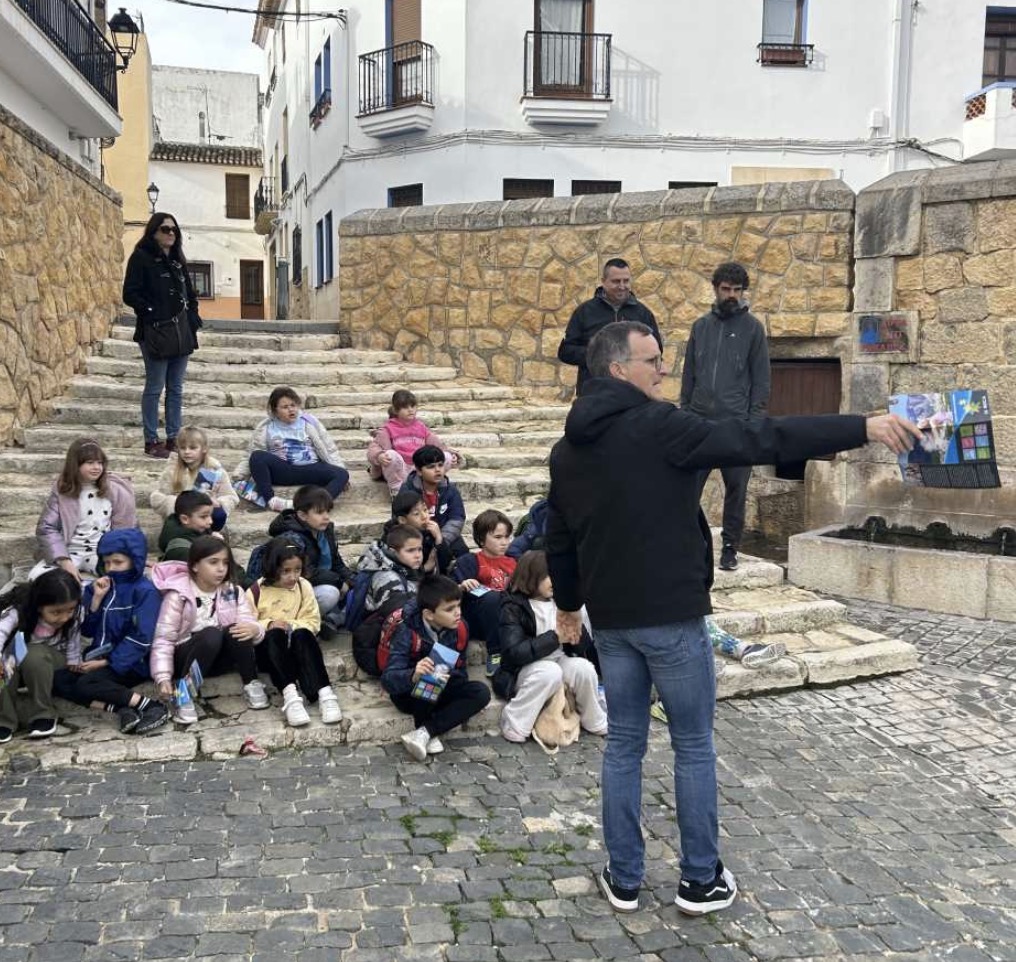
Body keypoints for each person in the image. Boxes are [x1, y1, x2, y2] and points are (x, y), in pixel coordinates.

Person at [545, 321, 921, 916]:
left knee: (623, 748)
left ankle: (623, 878)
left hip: (613, 621)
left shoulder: (566, 451)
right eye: (652, 359)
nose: (664, 368)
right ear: (618, 369)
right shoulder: (662, 427)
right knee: (692, 745)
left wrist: (568, 606)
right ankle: (699, 880)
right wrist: (863, 426)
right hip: (670, 617)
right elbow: (759, 436)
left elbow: (558, 538)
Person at [680, 262, 770, 571]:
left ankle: (730, 548)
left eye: (737, 290)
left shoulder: (753, 329)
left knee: (736, 491)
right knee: (688, 490)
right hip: (700, 425)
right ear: (716, 289)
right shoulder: (700, 327)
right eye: (726, 289)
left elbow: (761, 380)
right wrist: (685, 414)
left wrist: (753, 423)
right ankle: (689, 546)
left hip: (736, 427)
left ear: (743, 292)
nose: (731, 295)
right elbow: (689, 374)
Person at [51, 529, 169, 736]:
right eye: (106, 563)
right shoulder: (99, 587)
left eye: (118, 562)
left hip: (131, 662)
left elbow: (141, 637)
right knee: (58, 679)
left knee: (88, 684)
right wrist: (96, 599)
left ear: (135, 560)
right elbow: (86, 629)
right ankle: (120, 708)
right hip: (97, 657)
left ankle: (152, 706)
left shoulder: (144, 591)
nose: (111, 568)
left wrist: (107, 662)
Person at [494, 550, 606, 745]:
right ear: (532, 577)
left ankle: (594, 718)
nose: (555, 581)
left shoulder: (561, 602)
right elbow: (514, 653)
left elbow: (583, 647)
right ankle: (515, 721)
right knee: (549, 671)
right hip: (523, 670)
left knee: (584, 669)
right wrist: (554, 638)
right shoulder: (513, 606)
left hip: (559, 660)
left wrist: (574, 634)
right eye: (549, 577)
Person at [150, 536, 266, 724]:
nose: (221, 569)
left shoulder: (233, 591)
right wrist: (163, 677)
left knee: (240, 628)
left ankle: (251, 682)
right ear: (195, 566)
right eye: (213, 562)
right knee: (211, 634)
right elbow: (164, 639)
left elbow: (248, 620)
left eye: (225, 563)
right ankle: (183, 695)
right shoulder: (177, 596)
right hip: (186, 656)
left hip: (218, 658)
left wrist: (255, 630)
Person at [380, 575, 491, 762]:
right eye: (449, 609)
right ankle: (427, 729)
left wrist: (450, 675)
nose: (458, 613)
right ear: (429, 614)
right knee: (431, 676)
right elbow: (388, 679)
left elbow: (461, 670)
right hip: (409, 693)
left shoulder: (460, 628)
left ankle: (425, 732)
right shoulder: (407, 630)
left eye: (458, 606)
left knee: (480, 692)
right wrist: (413, 675)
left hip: (440, 686)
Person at [122, 211, 201, 459]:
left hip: (181, 332)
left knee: (176, 388)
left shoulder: (178, 260)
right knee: (155, 386)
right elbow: (130, 293)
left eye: (174, 230)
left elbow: (189, 292)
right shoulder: (141, 258)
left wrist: (193, 319)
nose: (170, 234)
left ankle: (173, 439)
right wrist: (150, 311)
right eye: (165, 229)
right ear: (154, 232)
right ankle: (151, 439)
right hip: (155, 332)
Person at [245, 537, 342, 728]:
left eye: (297, 570)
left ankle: (325, 693)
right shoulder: (256, 591)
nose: (292, 576)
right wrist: (271, 623)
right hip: (270, 651)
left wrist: (289, 625)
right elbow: (249, 623)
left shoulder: (303, 586)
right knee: (275, 635)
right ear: (273, 569)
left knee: (304, 633)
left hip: (298, 646)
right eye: (285, 571)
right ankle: (290, 697)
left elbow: (313, 621)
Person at [33, 438, 137, 582]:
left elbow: (125, 527)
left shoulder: (114, 490)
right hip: (69, 551)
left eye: (100, 462)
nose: (96, 467)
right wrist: (64, 561)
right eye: (90, 463)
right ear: (75, 465)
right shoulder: (62, 490)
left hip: (102, 552)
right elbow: (46, 527)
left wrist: (130, 556)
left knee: (124, 576)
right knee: (40, 579)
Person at [235, 386, 350, 513]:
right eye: (285, 407)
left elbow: (329, 448)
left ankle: (316, 506)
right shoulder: (265, 427)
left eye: (293, 405)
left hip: (311, 467)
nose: (291, 410)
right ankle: (272, 501)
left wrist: (339, 468)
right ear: (275, 410)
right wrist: (238, 475)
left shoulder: (309, 421)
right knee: (257, 457)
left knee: (342, 474)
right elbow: (250, 454)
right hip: (283, 470)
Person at [557, 258, 663, 395]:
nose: (622, 286)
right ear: (603, 281)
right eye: (616, 281)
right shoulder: (584, 312)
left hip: (633, 395)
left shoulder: (643, 314)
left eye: (626, 281)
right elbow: (566, 352)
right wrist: (597, 354)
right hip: (594, 394)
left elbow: (657, 351)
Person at [0, 569, 82, 741]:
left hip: (51, 660)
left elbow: (74, 638)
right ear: (39, 606)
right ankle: (5, 721)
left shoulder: (75, 615)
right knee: (6, 662)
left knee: (33, 653)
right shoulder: (18, 612)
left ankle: (43, 714)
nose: (64, 617)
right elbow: (1, 632)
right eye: (56, 612)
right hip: (18, 659)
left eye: (70, 610)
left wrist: (74, 659)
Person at [267, 485, 355, 628]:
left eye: (328, 511)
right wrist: (338, 582)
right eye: (320, 512)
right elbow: (305, 572)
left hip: (317, 583)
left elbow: (336, 563)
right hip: (290, 590)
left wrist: (352, 581)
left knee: (357, 588)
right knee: (330, 594)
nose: (326, 516)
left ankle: (330, 620)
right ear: (302, 515)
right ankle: (301, 624)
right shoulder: (292, 538)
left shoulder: (325, 531)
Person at [451, 509, 516, 677]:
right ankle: (495, 653)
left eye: (507, 537)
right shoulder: (469, 561)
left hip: (509, 616)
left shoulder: (514, 562)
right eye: (498, 537)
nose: (504, 542)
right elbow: (448, 593)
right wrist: (462, 585)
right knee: (492, 597)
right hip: (480, 619)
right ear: (481, 539)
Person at [367, 390, 459, 496]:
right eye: (405, 407)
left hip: (420, 469)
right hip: (400, 470)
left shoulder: (421, 427)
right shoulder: (388, 429)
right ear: (396, 411)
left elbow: (437, 444)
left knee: (445, 456)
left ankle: (432, 485)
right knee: (390, 455)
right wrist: (379, 456)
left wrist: (450, 454)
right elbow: (374, 448)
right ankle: (397, 490)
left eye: (413, 406)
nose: (410, 410)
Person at [150, 425, 238, 532]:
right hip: (181, 521)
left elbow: (231, 497)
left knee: (218, 513)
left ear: (204, 449)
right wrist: (175, 502)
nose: (187, 452)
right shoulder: (172, 470)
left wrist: (218, 503)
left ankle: (208, 536)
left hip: (205, 519)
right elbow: (158, 497)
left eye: (192, 448)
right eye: (183, 448)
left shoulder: (215, 470)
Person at [397, 445, 468, 572]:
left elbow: (457, 519)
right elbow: (400, 518)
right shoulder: (407, 490)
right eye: (431, 467)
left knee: (462, 553)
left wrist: (440, 538)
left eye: (440, 465)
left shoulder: (450, 490)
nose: (437, 470)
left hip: (444, 535)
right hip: (417, 537)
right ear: (419, 471)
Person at [356, 524, 424, 616]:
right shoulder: (387, 578)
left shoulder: (404, 567)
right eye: (410, 551)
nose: (418, 555)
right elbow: (396, 614)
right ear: (393, 552)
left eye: (419, 549)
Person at [389, 492, 441, 573]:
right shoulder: (393, 539)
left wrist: (439, 539)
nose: (424, 516)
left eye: (425, 509)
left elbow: (445, 563)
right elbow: (399, 573)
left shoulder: (430, 531)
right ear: (402, 520)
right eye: (416, 514)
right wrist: (425, 568)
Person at [158, 490, 216, 561]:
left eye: (210, 515)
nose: (210, 521)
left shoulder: (199, 530)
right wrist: (217, 547)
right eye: (203, 517)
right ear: (185, 519)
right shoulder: (180, 550)